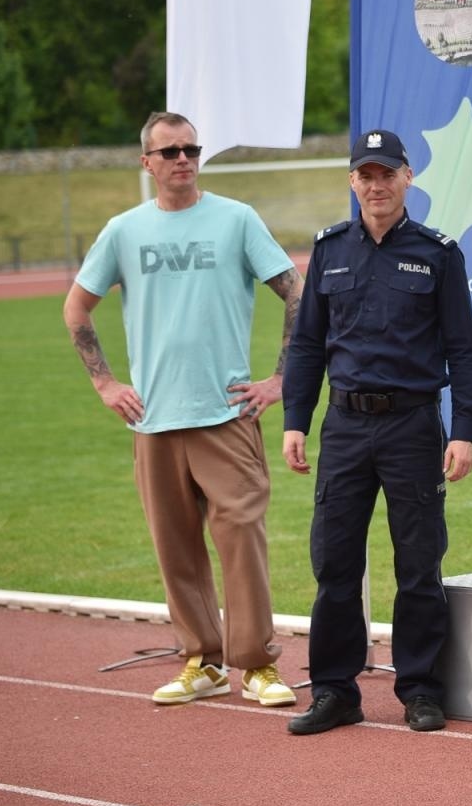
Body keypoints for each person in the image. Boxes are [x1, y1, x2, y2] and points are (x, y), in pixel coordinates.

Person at [62, 111, 301, 708]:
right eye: (168, 151)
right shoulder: (123, 230)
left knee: (242, 541)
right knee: (176, 549)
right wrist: (105, 385)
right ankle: (202, 661)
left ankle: (258, 667)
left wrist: (278, 378)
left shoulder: (236, 219)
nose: (182, 159)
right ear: (147, 162)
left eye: (191, 149)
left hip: (225, 415)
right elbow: (77, 310)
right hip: (154, 419)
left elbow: (297, 294)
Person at [281, 128, 472, 735]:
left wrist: (464, 429)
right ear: (352, 181)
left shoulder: (438, 252)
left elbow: (463, 349)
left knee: (418, 563)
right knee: (335, 564)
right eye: (365, 175)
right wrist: (296, 420)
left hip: (412, 425)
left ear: (407, 178)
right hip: (343, 427)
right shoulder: (329, 249)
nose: (376, 185)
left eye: (387, 173)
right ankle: (335, 692)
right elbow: (308, 345)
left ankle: (420, 689)